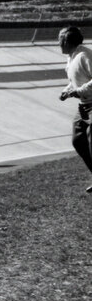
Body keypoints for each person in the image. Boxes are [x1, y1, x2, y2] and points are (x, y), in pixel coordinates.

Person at [57, 26, 92, 192]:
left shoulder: (85, 55)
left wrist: (77, 92)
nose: (58, 44)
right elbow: (76, 79)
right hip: (83, 106)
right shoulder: (72, 57)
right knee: (78, 140)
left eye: (60, 40)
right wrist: (67, 90)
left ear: (67, 41)